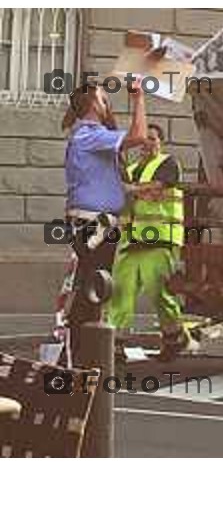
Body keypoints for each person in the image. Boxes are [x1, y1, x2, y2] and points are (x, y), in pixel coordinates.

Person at [57, 79, 148, 362]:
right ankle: (75, 354)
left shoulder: (90, 137)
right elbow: (139, 135)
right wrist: (139, 98)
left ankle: (82, 353)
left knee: (94, 287)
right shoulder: (89, 134)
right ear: (94, 104)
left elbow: (101, 180)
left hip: (96, 222)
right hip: (93, 224)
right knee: (90, 287)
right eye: (104, 97)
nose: (108, 102)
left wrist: (133, 190)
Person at [106, 123, 198, 359]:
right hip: (131, 240)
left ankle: (175, 336)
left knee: (159, 293)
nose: (147, 143)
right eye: (144, 139)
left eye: (153, 139)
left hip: (160, 239)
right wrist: (135, 191)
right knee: (120, 292)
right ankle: (113, 344)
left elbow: (156, 189)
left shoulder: (168, 164)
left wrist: (131, 189)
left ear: (160, 143)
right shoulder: (132, 168)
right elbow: (122, 195)